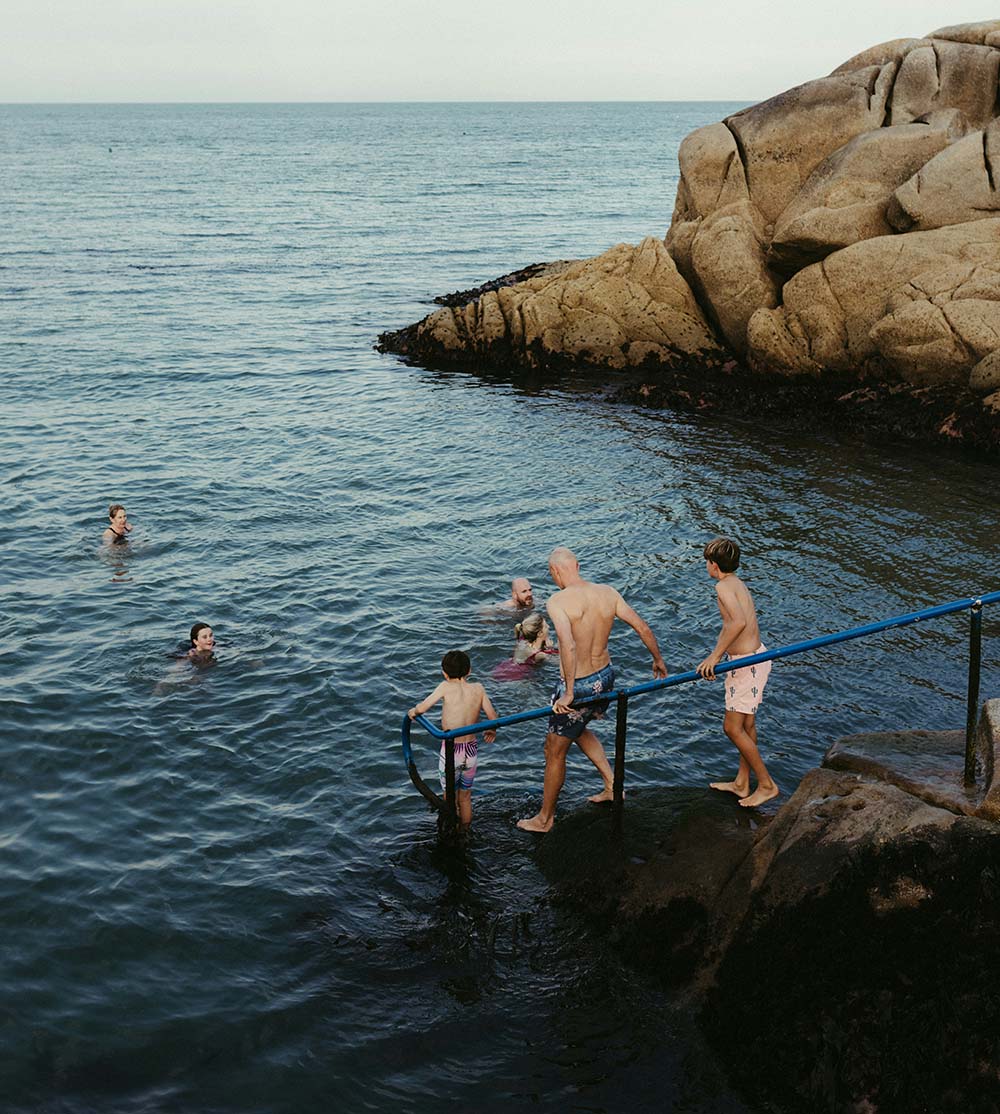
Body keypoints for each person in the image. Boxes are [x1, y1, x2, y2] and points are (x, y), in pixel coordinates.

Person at [517, 547, 667, 833]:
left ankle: (545, 819)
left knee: (553, 750)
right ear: (578, 565)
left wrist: (570, 691)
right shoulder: (607, 592)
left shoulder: (558, 601)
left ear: (555, 571)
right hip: (606, 676)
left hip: (580, 684)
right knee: (579, 727)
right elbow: (642, 626)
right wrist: (657, 660)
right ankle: (611, 785)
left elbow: (569, 645)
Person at [696, 537, 778, 808]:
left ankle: (766, 785)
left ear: (714, 565)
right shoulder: (736, 583)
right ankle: (743, 782)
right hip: (755, 658)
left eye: (707, 561)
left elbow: (738, 623)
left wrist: (715, 656)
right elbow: (730, 623)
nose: (706, 566)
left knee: (731, 728)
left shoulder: (722, 587)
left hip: (746, 665)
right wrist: (716, 655)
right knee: (746, 725)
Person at [408, 650, 498, 830]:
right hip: (471, 749)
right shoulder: (478, 688)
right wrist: (491, 730)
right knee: (465, 797)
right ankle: (465, 831)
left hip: (451, 751)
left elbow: (423, 707)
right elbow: (493, 716)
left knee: (449, 796)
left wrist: (413, 712)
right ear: (469, 670)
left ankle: (449, 828)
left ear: (444, 672)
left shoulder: (444, 686)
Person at [491, 612, 558, 681]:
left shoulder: (522, 639)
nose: (549, 627)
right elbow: (560, 663)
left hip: (502, 669)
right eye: (546, 626)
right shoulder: (539, 655)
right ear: (540, 633)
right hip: (514, 678)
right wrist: (551, 648)